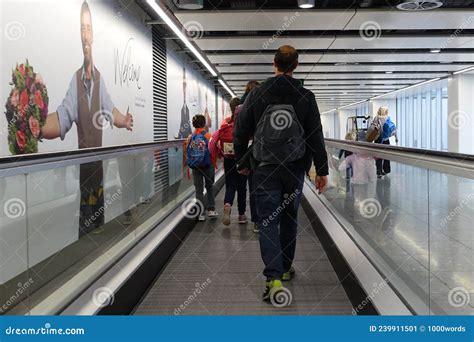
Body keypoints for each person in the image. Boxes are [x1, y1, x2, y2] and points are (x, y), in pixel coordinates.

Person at [234, 45, 329, 301]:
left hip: (264, 168)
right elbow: (315, 135)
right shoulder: (306, 96)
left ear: (273, 64)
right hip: (295, 167)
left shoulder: (257, 93)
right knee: (289, 217)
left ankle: (273, 278)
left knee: (268, 221)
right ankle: (286, 268)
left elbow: (240, 130)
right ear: (296, 66)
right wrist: (321, 170)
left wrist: (242, 160)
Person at [41, 1, 133, 235]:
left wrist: (124, 120)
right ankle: (86, 237)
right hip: (84, 165)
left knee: (97, 212)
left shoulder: (100, 80)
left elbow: (110, 109)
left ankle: (97, 235)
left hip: (98, 164)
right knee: (86, 214)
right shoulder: (75, 80)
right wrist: (38, 126)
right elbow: (63, 117)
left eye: (88, 28)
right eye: (81, 29)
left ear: (93, 35)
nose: (85, 34)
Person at [209, 98, 248, 226]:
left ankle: (227, 205)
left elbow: (213, 142)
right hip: (242, 160)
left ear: (231, 108)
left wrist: (219, 154)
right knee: (242, 188)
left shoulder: (225, 124)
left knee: (230, 186)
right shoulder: (245, 123)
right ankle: (241, 215)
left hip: (228, 160)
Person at [185, 114, 218, 221]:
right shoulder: (208, 136)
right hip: (208, 166)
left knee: (198, 190)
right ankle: (211, 210)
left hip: (195, 166)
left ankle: (201, 213)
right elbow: (213, 152)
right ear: (204, 124)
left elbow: (187, 152)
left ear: (194, 125)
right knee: (209, 187)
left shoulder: (191, 137)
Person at [240, 80, 260, 233]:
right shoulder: (265, 101)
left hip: (250, 153)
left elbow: (239, 135)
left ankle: (256, 221)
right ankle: (270, 218)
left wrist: (240, 161)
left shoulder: (241, 106)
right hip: (267, 151)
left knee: (253, 187)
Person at [374, 106, 398, 178]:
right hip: (386, 140)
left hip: (378, 139)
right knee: (386, 155)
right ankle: (386, 170)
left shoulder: (376, 118)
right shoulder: (387, 118)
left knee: (378, 156)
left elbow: (372, 129)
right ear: (385, 111)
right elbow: (393, 129)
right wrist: (396, 137)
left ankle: (379, 171)